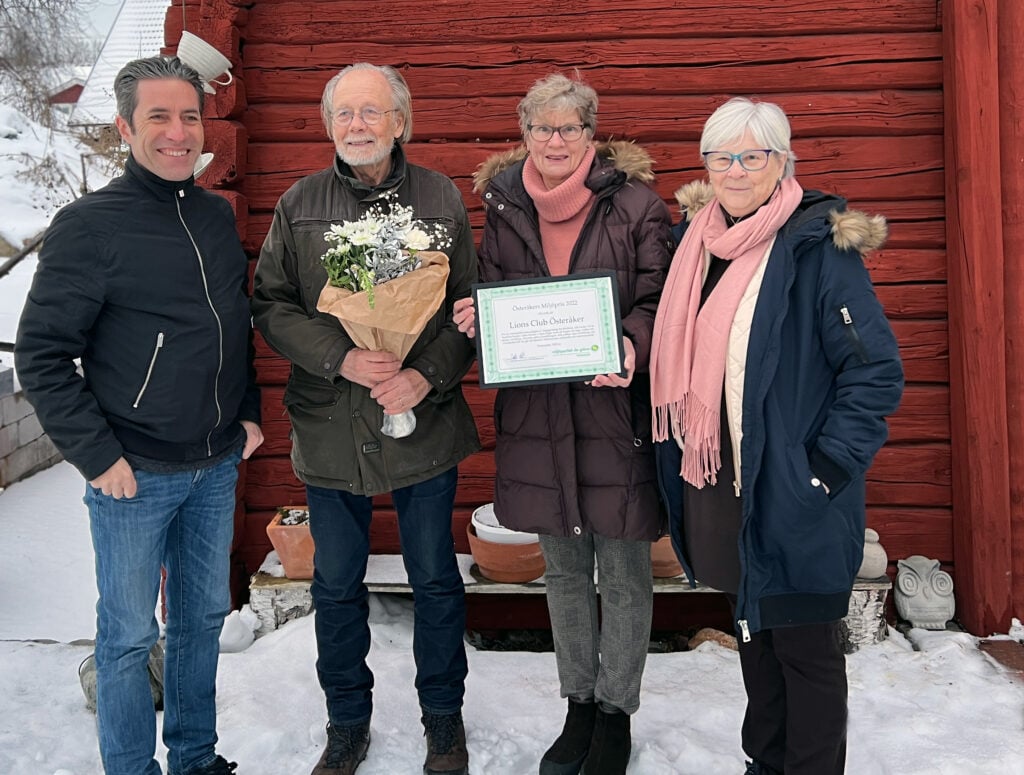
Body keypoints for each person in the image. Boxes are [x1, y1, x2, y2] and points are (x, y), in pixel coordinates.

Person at [15, 56, 263, 775]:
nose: (178, 132)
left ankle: (193, 758)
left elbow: (232, 329)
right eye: (159, 117)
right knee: (126, 636)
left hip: (214, 467)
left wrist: (244, 414)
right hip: (134, 476)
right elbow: (42, 354)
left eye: (189, 116)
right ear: (126, 127)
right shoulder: (88, 226)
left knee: (200, 625)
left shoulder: (215, 215)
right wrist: (98, 457)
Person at [650, 97, 904, 775]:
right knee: (755, 635)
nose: (735, 170)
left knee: (806, 651)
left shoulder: (819, 248)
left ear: (782, 162)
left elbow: (874, 371)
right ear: (705, 162)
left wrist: (822, 468)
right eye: (721, 155)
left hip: (793, 486)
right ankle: (766, 763)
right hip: (724, 480)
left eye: (752, 156)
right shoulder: (694, 247)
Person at [251, 63, 480, 775]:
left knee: (436, 577)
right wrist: (340, 358)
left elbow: (468, 308)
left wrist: (424, 373)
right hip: (331, 422)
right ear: (329, 125)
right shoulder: (299, 204)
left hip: (423, 417)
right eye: (344, 113)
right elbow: (272, 303)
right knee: (336, 583)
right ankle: (346, 721)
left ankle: (443, 718)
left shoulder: (439, 197)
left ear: (400, 121)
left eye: (372, 112)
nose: (358, 125)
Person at [453, 73, 672, 775]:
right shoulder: (504, 207)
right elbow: (501, 300)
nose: (555, 139)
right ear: (524, 136)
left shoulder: (635, 204)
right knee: (564, 571)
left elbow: (658, 295)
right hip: (540, 418)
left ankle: (616, 712)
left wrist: (632, 344)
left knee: (627, 571)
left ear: (591, 134)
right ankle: (578, 703)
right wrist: (478, 321)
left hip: (613, 414)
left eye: (569, 127)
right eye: (541, 128)